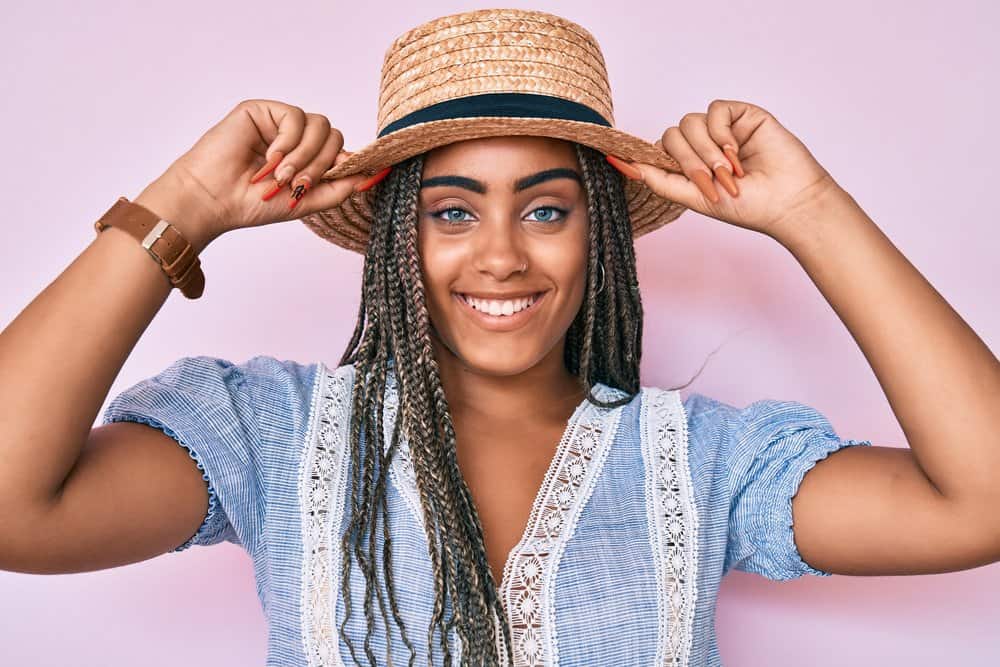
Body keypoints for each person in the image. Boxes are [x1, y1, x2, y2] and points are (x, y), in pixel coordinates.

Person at [1, 7, 997, 667]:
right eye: (453, 211)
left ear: (596, 232)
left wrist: (811, 210)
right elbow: (14, 511)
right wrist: (179, 208)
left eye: (548, 209)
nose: (502, 257)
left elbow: (981, 502)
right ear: (399, 236)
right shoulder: (270, 432)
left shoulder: (702, 463)